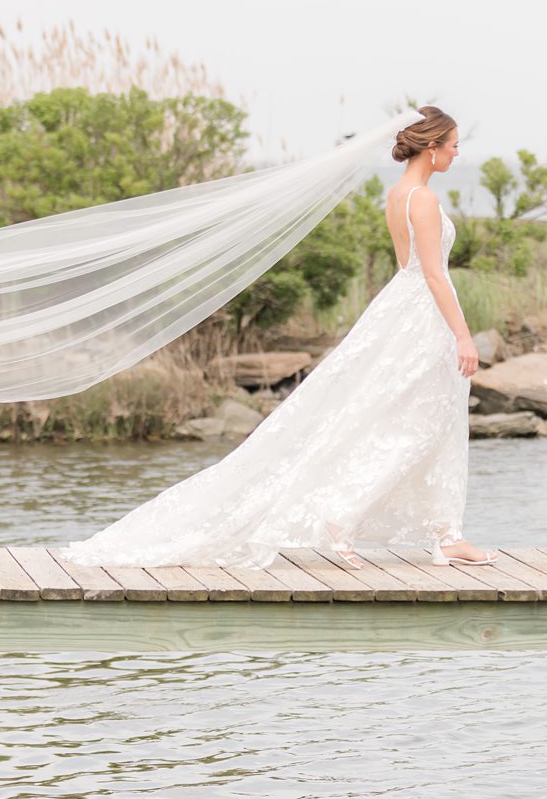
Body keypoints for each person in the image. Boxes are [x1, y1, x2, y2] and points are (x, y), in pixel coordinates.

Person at [63, 107, 499, 571]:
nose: (457, 152)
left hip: (403, 309)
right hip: (424, 316)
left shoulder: (398, 194)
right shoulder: (424, 200)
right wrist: (463, 335)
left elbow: (407, 268)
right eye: (453, 144)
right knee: (416, 425)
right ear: (431, 148)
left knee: (418, 420)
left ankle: (445, 533)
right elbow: (432, 272)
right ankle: (345, 515)